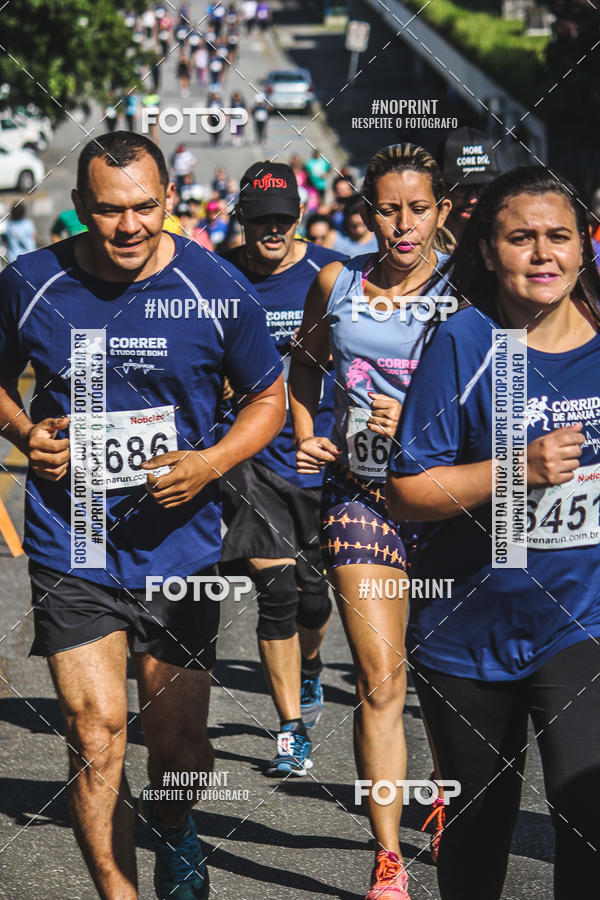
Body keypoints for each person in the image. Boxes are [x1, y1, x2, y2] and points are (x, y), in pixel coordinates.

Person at [0, 130, 285, 900]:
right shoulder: (29, 280)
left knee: (180, 751)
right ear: (82, 207)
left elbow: (269, 397)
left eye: (144, 209)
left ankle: (177, 824)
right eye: (109, 211)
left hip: (181, 550)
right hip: (75, 541)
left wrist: (211, 462)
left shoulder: (218, 287)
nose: (128, 227)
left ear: (169, 200)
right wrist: (27, 433)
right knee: (95, 736)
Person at [386, 165, 600, 900]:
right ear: (488, 251)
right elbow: (407, 490)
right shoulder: (464, 343)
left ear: (584, 247)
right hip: (466, 629)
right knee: (477, 831)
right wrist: (518, 469)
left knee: (588, 814)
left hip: (582, 622)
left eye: (558, 237)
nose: (543, 254)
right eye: (521, 238)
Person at [288, 143, 453, 900]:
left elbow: (507, 381)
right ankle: (387, 859)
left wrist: (418, 414)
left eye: (418, 208)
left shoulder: (470, 290)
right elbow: (304, 362)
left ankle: (451, 792)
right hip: (361, 493)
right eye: (388, 208)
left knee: (452, 682)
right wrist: (301, 430)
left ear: (443, 213)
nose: (403, 224)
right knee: (380, 678)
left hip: (455, 501)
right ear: (367, 213)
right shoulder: (339, 280)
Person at [219, 161, 347, 776]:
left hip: (318, 455)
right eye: (259, 217)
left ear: (298, 216)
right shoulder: (217, 273)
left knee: (315, 600)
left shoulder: (330, 274)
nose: (272, 229)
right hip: (249, 460)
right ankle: (290, 731)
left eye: (282, 217)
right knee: (277, 593)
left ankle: (315, 665)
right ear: (241, 217)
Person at [439, 125, 501, 242]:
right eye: (462, 189)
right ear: (441, 188)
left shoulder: (500, 245)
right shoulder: (422, 245)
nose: (472, 199)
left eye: (482, 188)